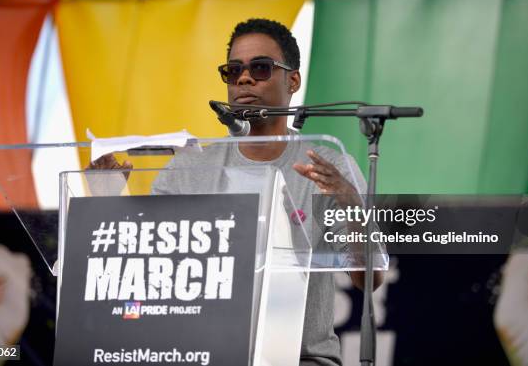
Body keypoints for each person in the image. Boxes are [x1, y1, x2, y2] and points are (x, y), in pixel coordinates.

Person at [90, 18, 385, 365]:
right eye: (233, 70)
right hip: (201, 355)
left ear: (293, 80)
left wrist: (351, 205)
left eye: (260, 68)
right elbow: (147, 271)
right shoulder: (189, 167)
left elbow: (370, 280)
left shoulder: (330, 168)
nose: (244, 78)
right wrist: (105, 203)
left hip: (300, 359)